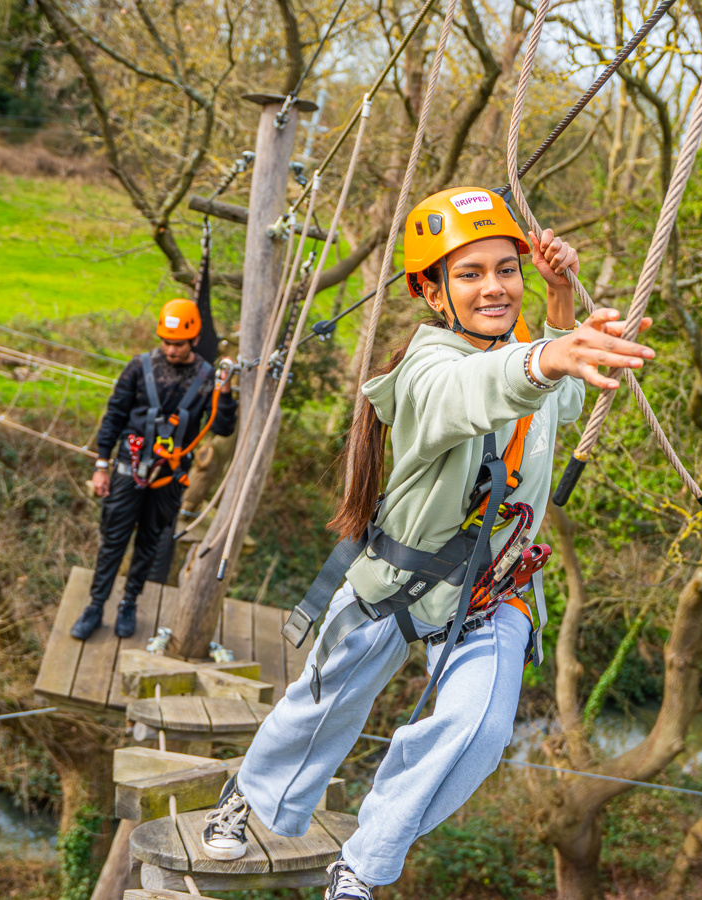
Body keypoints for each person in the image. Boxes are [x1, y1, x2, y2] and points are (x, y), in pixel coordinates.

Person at [194, 187, 656, 899]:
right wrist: (545, 357)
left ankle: (362, 865)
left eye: (506, 269)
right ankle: (250, 799)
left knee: (478, 731)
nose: (494, 287)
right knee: (320, 710)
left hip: (490, 591)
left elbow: (557, 401)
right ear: (432, 293)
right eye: (469, 275)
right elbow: (472, 391)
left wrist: (560, 316)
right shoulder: (429, 366)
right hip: (396, 580)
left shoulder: (521, 353)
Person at [79, 298, 238, 641]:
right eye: (166, 342)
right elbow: (114, 416)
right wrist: (101, 465)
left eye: (178, 344)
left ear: (194, 341)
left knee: (149, 543)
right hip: (128, 470)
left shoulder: (207, 378)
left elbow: (223, 427)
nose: (171, 349)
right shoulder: (139, 368)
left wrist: (225, 391)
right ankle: (95, 606)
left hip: (169, 476)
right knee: (113, 540)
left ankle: (129, 603)